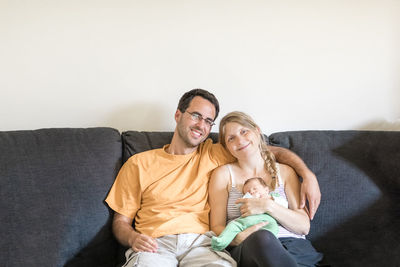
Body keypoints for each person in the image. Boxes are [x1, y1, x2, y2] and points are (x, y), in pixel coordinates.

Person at [105, 89, 321, 267]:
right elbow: (121, 221)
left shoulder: (215, 152)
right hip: (156, 244)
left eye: (209, 121)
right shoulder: (138, 163)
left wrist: (306, 173)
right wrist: (133, 238)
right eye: (196, 115)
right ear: (178, 115)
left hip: (202, 244)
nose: (201, 125)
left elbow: (266, 151)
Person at [209, 111, 323, 267]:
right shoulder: (222, 175)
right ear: (226, 147)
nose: (240, 140)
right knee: (262, 237)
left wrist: (267, 206)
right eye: (231, 138)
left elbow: (303, 226)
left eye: (244, 131)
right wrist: (236, 238)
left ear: (257, 131)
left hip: (294, 247)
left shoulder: (285, 172)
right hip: (250, 246)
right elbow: (216, 226)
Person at [211, 177, 283, 251]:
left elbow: (283, 207)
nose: (251, 192)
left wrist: (269, 200)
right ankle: (221, 241)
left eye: (255, 189)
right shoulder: (247, 198)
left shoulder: (273, 197)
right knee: (233, 225)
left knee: (272, 229)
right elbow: (241, 208)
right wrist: (248, 200)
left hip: (267, 221)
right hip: (248, 221)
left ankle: (272, 245)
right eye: (248, 192)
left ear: (266, 190)